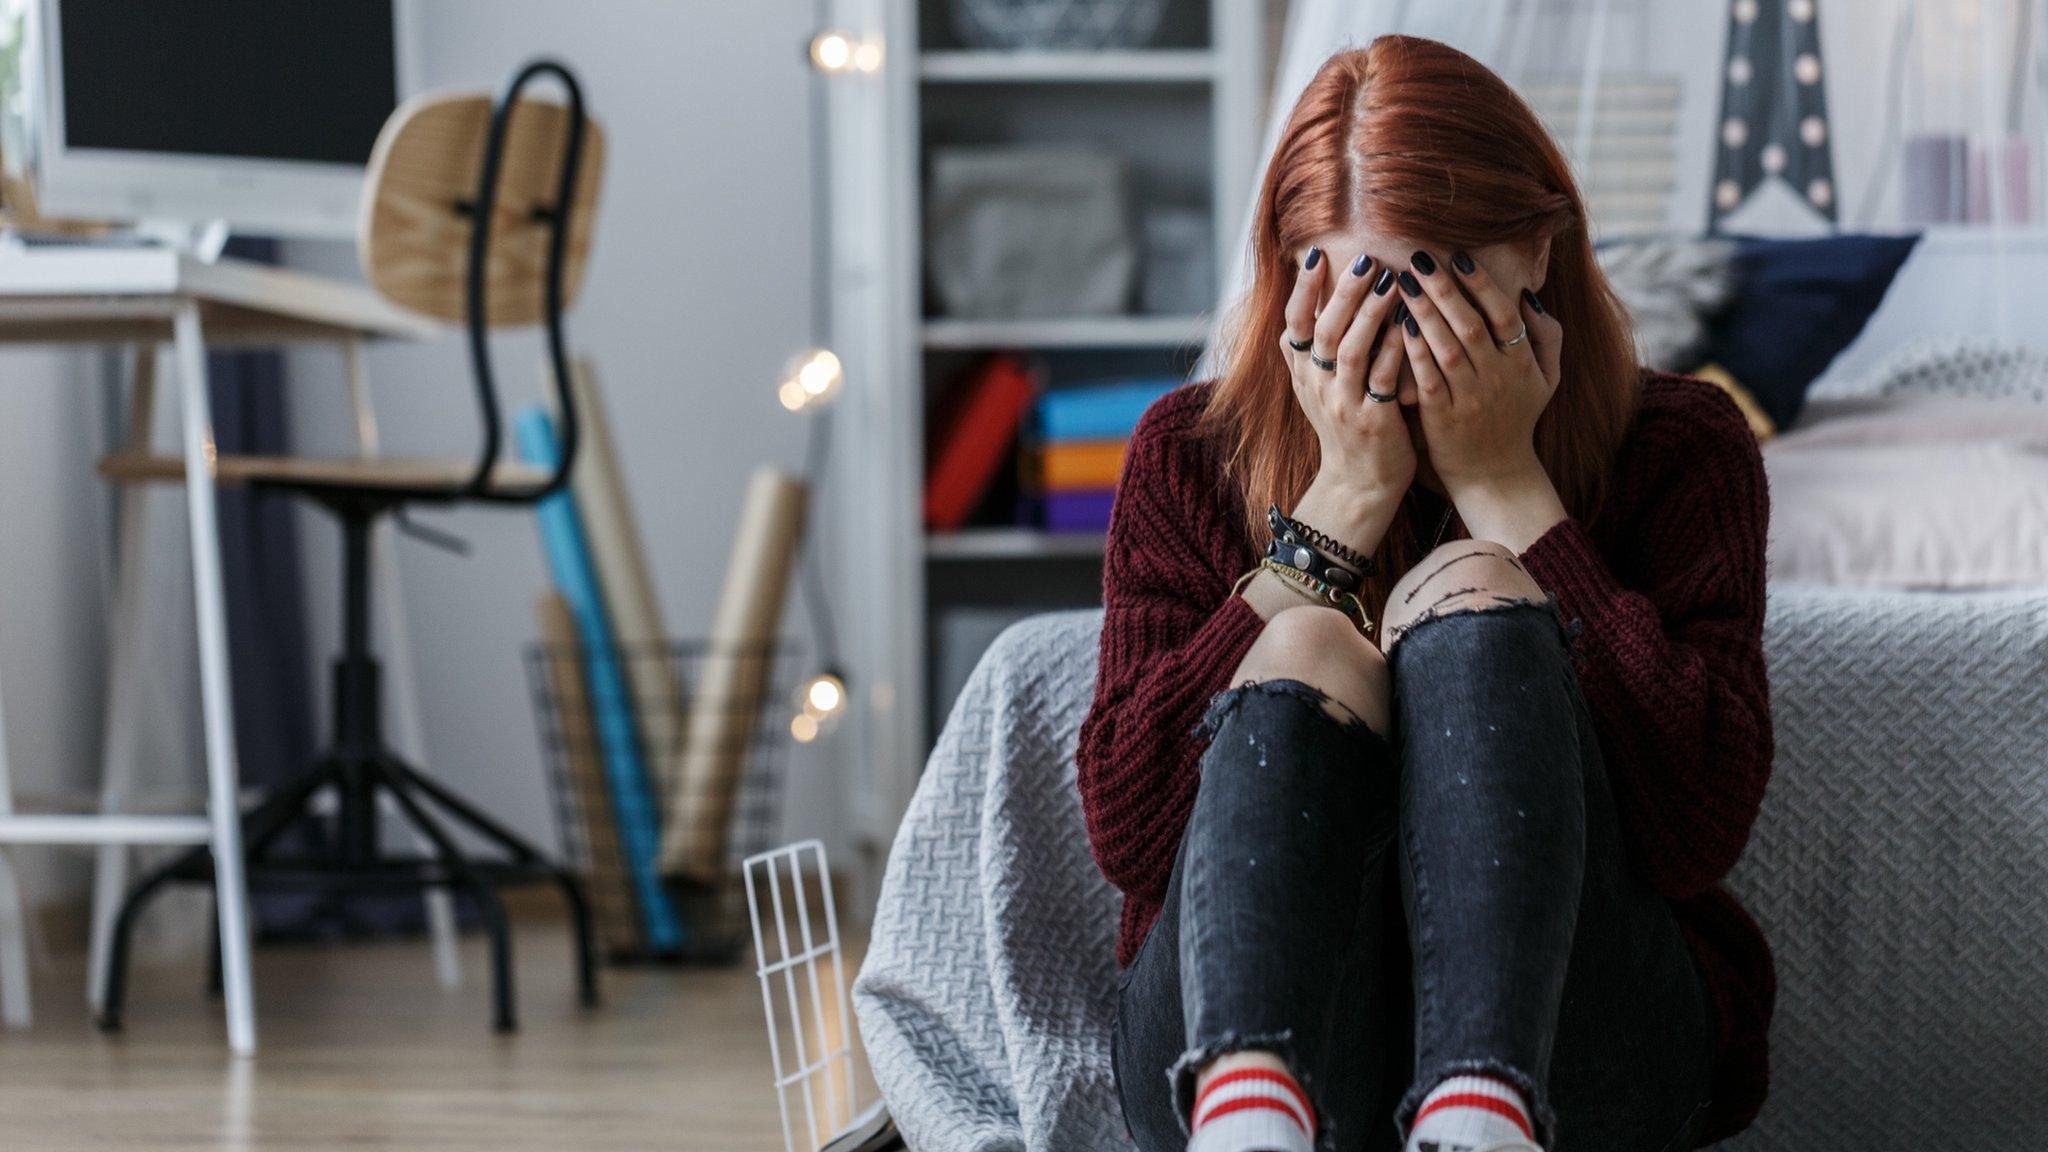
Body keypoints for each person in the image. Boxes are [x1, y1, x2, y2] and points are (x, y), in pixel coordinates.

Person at [1077, 35, 1774, 1152]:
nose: (1395, 343)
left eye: (1434, 289)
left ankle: (1481, 1113)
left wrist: (1509, 495)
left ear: (1535, 253)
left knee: (1471, 597)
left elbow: (1697, 827)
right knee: (1307, 648)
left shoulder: (1681, 447)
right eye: (1356, 290)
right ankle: (1251, 1118)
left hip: (1584, 1048)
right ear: (1287, 277)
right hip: (1235, 1037)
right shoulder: (1188, 455)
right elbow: (1127, 829)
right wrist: (1339, 510)